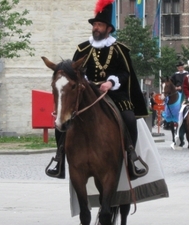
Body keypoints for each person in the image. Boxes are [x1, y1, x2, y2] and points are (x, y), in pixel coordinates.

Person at [45, 0, 148, 180]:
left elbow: (125, 73)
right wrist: (83, 83)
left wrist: (110, 82)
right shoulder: (83, 49)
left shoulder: (119, 49)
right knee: (61, 122)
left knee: (129, 119)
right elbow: (72, 72)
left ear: (109, 28)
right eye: (95, 25)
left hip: (115, 92)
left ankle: (131, 156)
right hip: (86, 91)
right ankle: (60, 158)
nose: (96, 28)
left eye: (100, 25)